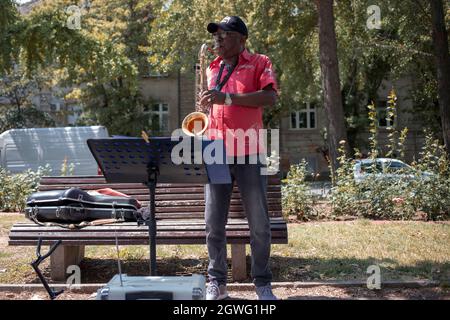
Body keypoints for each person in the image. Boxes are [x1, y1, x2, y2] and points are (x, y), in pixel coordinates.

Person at [198, 16, 279, 300]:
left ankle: (262, 283)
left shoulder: (260, 62)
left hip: (249, 149)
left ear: (242, 40)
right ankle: (216, 282)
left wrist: (227, 99)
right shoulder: (212, 68)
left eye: (224, 34)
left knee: (258, 222)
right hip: (215, 150)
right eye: (216, 35)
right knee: (213, 222)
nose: (217, 39)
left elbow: (270, 99)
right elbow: (214, 106)